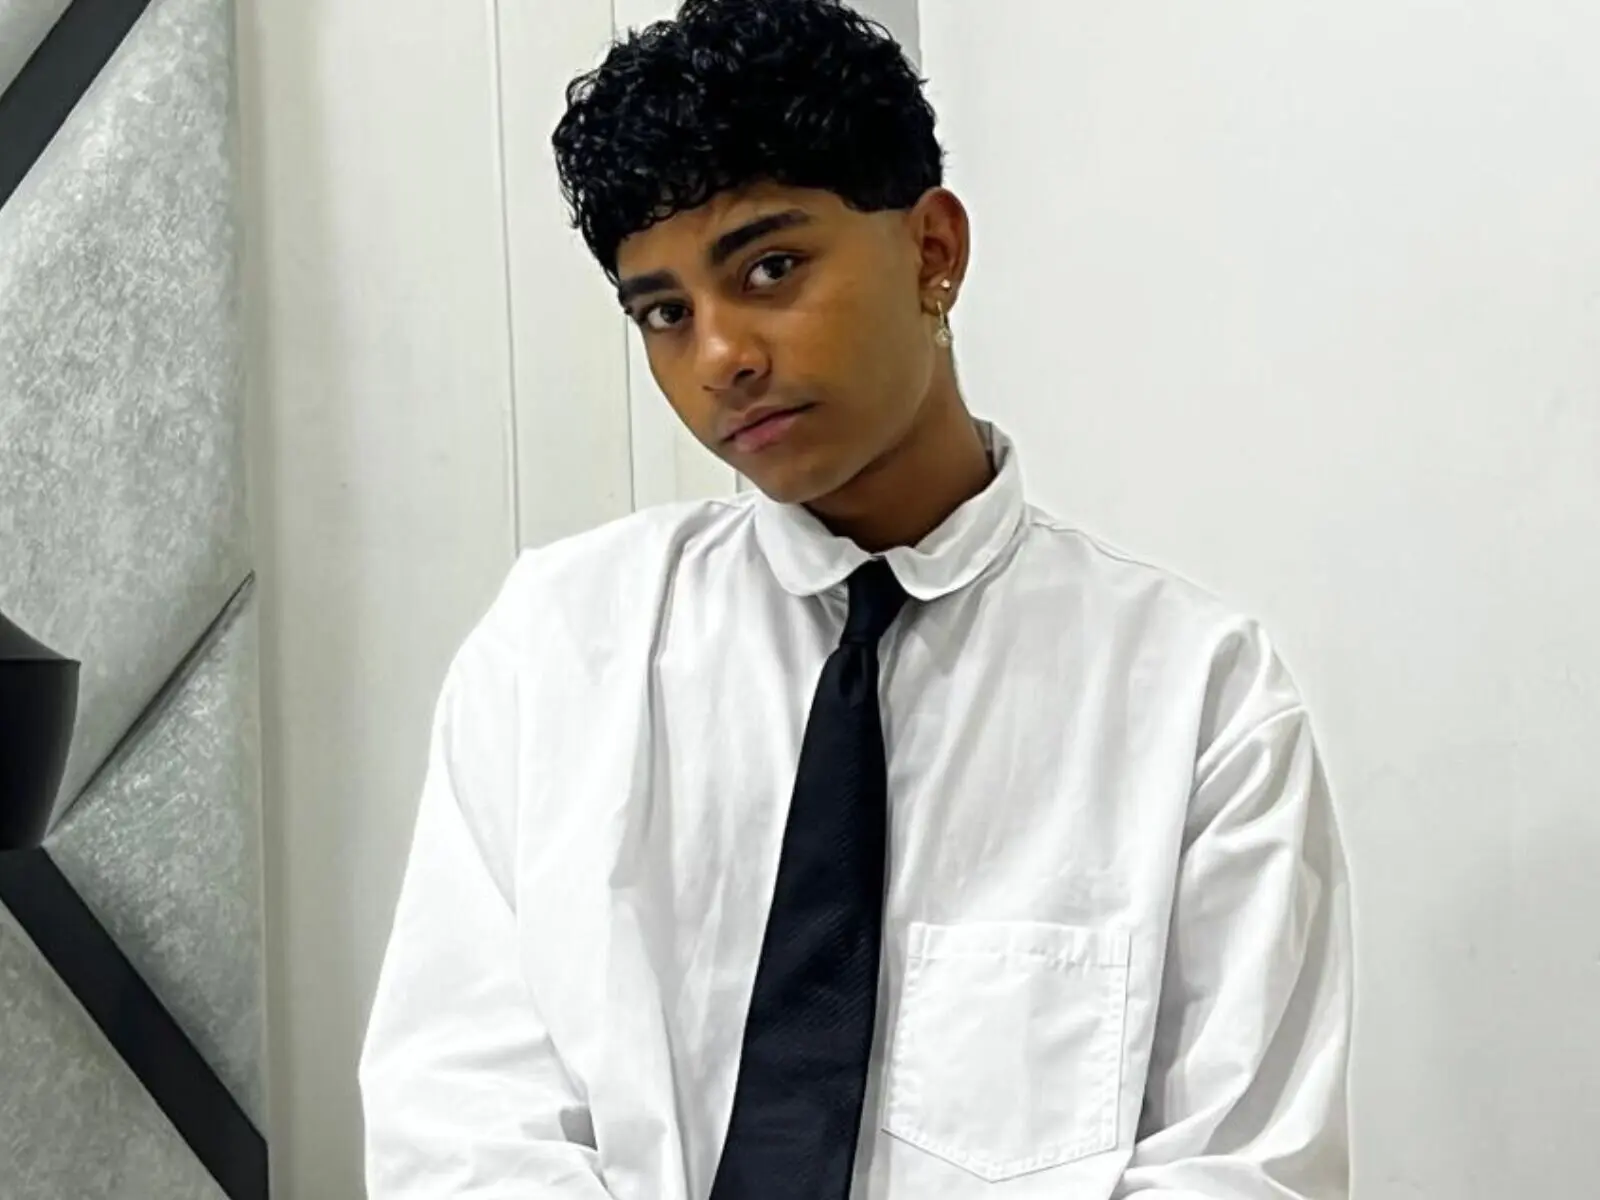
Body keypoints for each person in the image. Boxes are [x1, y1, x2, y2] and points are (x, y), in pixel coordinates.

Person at [358, 2, 1353, 1197]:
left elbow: (1243, 1172)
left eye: (769, 268)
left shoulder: (1199, 698)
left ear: (932, 251)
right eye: (664, 313)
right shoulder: (559, 649)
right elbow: (460, 1130)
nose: (719, 356)